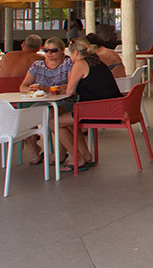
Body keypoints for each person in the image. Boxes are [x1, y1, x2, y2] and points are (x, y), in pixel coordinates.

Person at [55, 38, 123, 172]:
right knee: (67, 119)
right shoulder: (97, 62)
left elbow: (70, 91)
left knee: (55, 122)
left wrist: (63, 88)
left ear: (75, 52)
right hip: (113, 108)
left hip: (96, 111)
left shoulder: (80, 64)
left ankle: (77, 157)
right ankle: (84, 155)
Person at [18, 37, 72, 164]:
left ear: (62, 51)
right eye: (46, 50)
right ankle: (35, 151)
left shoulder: (68, 63)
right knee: (26, 117)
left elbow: (71, 84)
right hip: (44, 101)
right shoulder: (37, 65)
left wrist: (47, 89)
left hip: (66, 100)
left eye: (53, 50)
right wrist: (32, 89)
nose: (49, 53)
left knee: (52, 116)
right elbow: (23, 86)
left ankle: (61, 152)